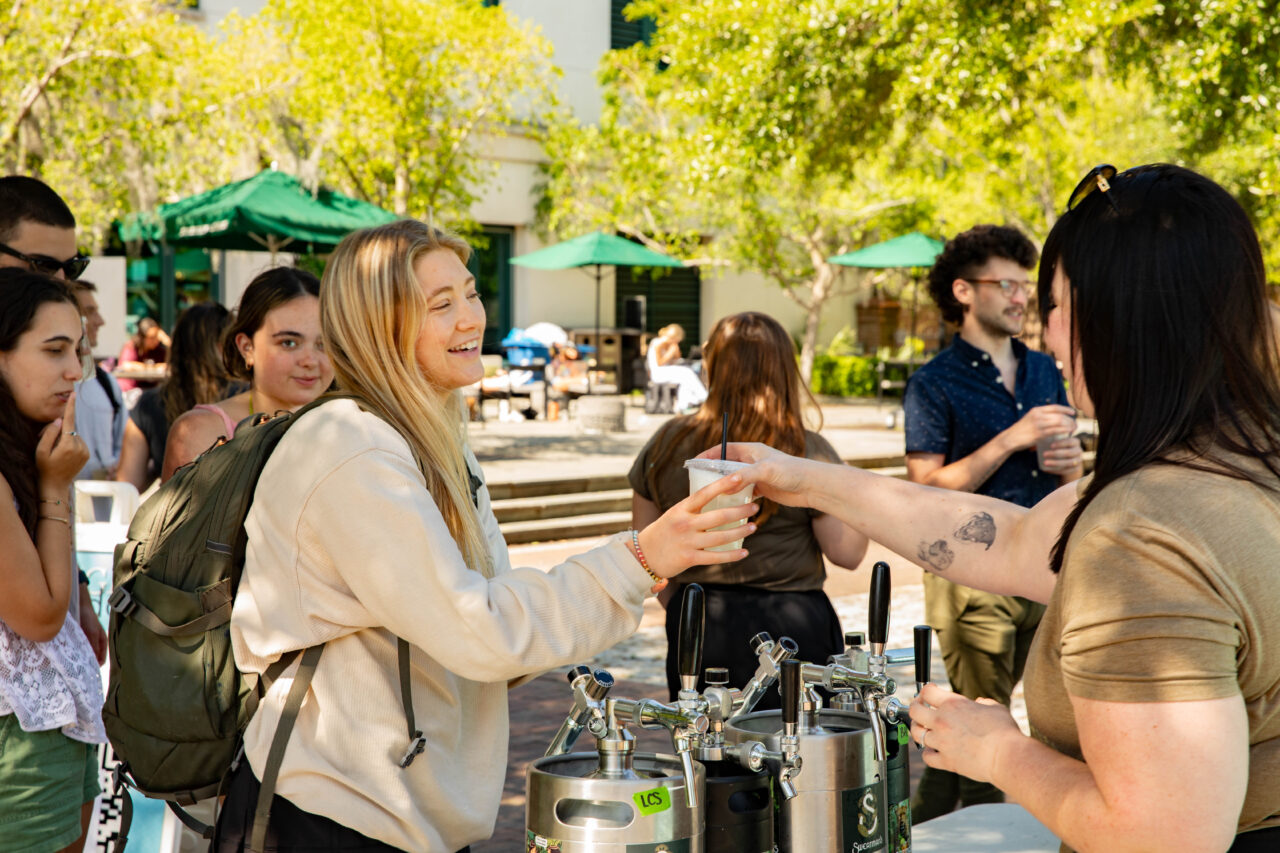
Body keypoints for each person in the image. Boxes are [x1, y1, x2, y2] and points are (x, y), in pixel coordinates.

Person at [717, 164, 1280, 851]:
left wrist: (996, 752)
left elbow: (1163, 835)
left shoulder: (1143, 529)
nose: (1047, 331)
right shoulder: (1232, 458)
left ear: (1123, 316)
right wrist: (800, 478)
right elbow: (1008, 541)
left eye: (1058, 303)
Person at [212, 219, 758, 853]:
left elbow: (489, 632)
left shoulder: (433, 434)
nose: (471, 317)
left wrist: (646, 565)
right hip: (328, 816)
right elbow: (481, 630)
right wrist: (640, 559)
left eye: (469, 294)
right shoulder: (349, 447)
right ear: (377, 327)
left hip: (414, 816)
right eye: (440, 305)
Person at [903, 224, 1083, 821]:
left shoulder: (1044, 369)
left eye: (1023, 286)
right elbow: (924, 490)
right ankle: (972, 830)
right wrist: (1010, 439)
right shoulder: (933, 382)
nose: (1020, 297)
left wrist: (1071, 465)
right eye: (1003, 283)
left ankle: (926, 822)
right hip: (972, 579)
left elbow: (1064, 474)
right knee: (982, 723)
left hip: (1050, 566)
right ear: (962, 291)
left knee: (1058, 726)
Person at [630, 311, 867, 705]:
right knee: (800, 755)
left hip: (701, 620)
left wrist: (684, 605)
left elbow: (645, 550)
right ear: (784, 368)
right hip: (794, 622)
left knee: (708, 753)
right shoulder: (806, 450)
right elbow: (848, 552)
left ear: (712, 362)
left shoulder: (668, 442)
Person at [0, 269, 107, 853]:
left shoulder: (25, 446)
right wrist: (56, 488)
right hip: (18, 743)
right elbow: (40, 616)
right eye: (54, 350)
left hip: (50, 729)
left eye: (79, 350)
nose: (75, 371)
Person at [161, 268, 332, 480]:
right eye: (289, 343)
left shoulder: (353, 428)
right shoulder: (202, 434)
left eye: (323, 344)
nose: (310, 361)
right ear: (246, 347)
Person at [115, 303, 233, 494]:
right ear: (224, 345)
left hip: (178, 515)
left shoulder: (150, 404)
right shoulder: (244, 398)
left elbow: (127, 483)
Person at [70, 281, 127, 482]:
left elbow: (123, 441)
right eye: (90, 312)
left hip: (105, 506)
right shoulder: (43, 385)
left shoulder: (106, 383)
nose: (100, 321)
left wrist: (120, 467)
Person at [646, 323, 706, 413]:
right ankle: (703, 397)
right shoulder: (657, 343)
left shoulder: (668, 345)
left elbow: (676, 359)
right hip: (658, 373)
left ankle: (683, 405)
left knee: (686, 380)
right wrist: (670, 352)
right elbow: (660, 363)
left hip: (665, 371)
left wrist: (675, 350)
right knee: (687, 373)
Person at [114, 317, 170, 395]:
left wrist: (167, 342)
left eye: (157, 336)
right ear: (142, 337)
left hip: (151, 391)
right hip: (130, 391)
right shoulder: (132, 347)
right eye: (151, 337)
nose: (155, 340)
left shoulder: (158, 350)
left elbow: (172, 364)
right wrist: (154, 367)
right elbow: (126, 365)